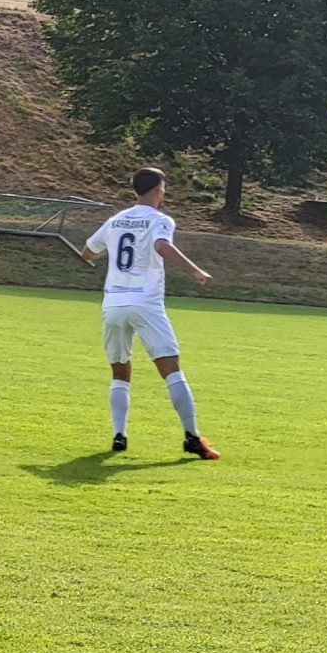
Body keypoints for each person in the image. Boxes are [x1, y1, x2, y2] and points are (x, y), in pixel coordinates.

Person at [81, 167, 220, 459]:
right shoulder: (160, 220)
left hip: (113, 303)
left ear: (134, 190)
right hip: (145, 302)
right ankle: (192, 437)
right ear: (158, 191)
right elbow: (161, 245)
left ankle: (119, 435)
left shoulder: (116, 220)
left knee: (120, 370)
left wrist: (113, 251)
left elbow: (88, 252)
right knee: (171, 369)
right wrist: (196, 271)